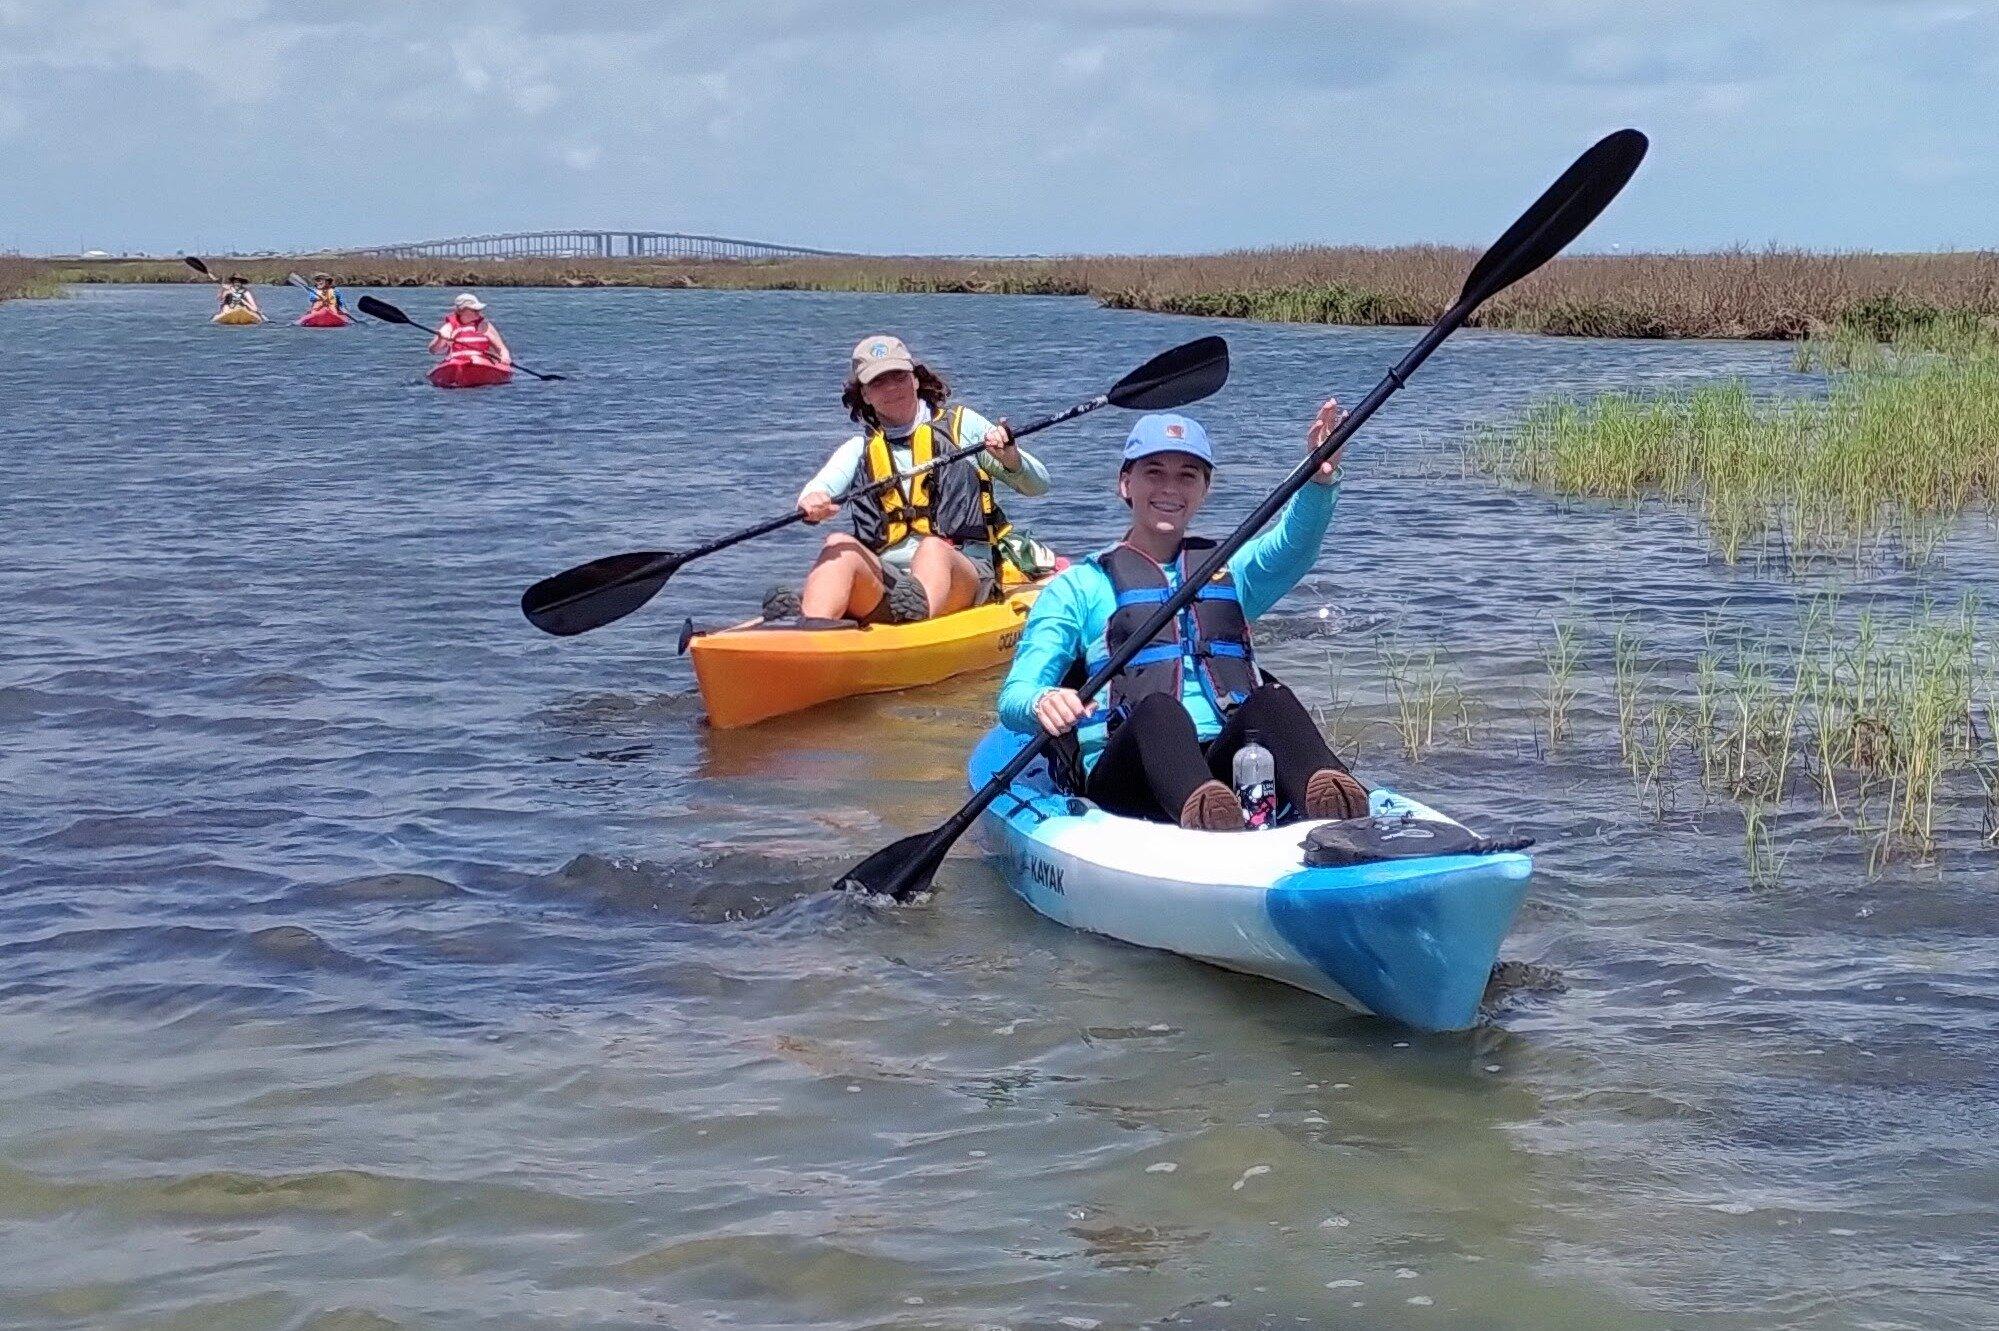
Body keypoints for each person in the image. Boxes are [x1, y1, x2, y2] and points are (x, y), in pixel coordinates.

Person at [996, 404, 1371, 831]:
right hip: (1127, 776)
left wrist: (1320, 480)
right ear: (1125, 484)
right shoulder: (1079, 586)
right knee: (1160, 710)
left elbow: (1292, 546)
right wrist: (1042, 701)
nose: (1170, 487)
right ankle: (1206, 817)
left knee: (1272, 700)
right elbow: (1014, 697)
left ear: (1205, 489)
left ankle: (1342, 815)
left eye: (1187, 475)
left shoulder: (1230, 571)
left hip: (1223, 765)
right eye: (1154, 472)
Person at [771, 334, 1050, 625]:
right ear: (865, 394)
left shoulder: (962, 426)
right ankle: (809, 626)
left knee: (932, 548)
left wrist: (1009, 457)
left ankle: (916, 626)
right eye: (878, 382)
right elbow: (819, 488)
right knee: (839, 543)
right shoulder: (859, 448)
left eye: (899, 377)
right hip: (892, 580)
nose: (892, 388)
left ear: (915, 379)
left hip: (964, 571)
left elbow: (1039, 485)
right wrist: (812, 502)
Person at [429, 293, 511, 367]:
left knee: (477, 360)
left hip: (482, 364)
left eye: (479, 310)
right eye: (474, 310)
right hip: (456, 364)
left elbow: (502, 349)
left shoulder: (485, 326)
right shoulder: (449, 327)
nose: (478, 312)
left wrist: (505, 357)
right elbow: (433, 350)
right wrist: (440, 339)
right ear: (460, 311)